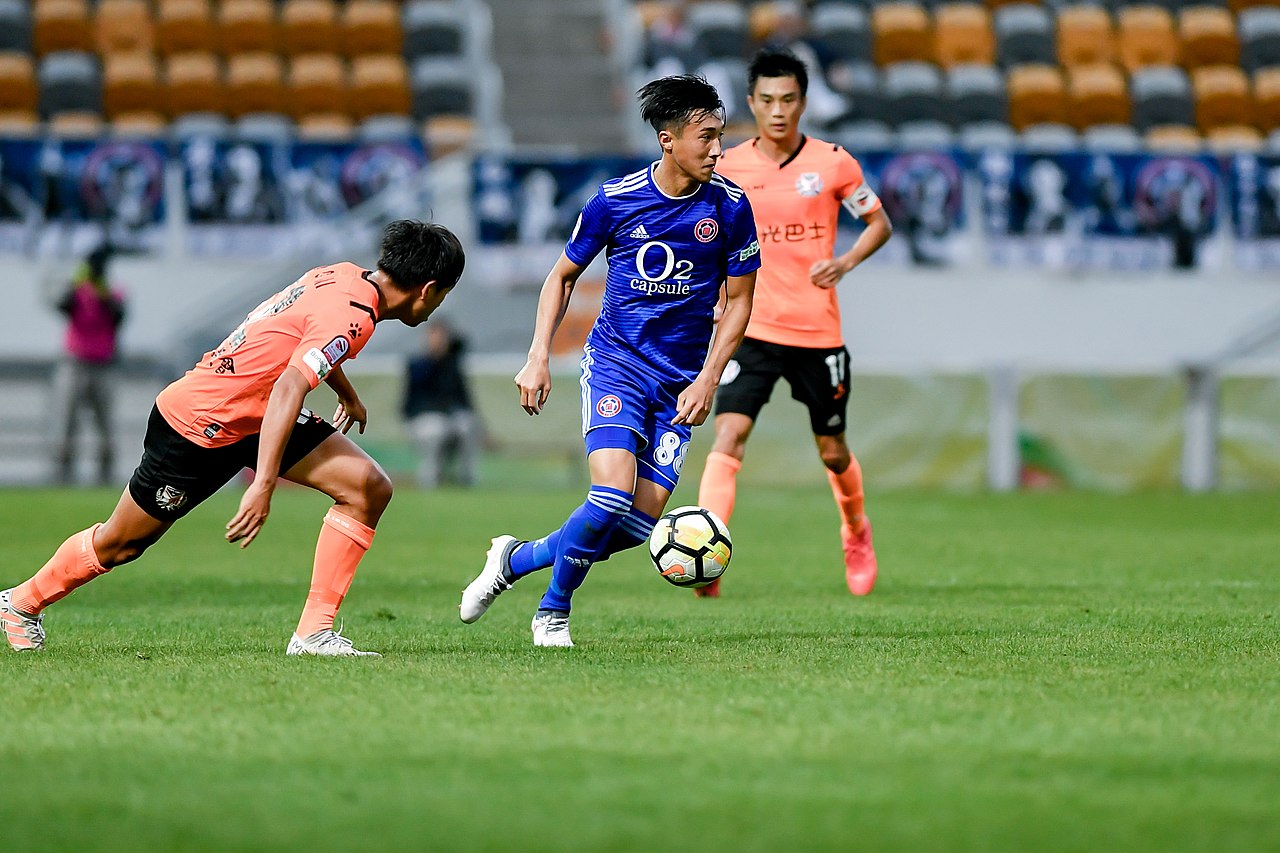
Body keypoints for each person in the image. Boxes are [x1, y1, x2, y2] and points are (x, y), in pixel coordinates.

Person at [2, 220, 465, 656]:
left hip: (257, 414)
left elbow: (297, 337)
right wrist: (263, 484)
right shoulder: (356, 317)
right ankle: (21, 602)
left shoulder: (342, 275)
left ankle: (314, 634)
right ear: (428, 290)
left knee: (367, 487)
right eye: (444, 295)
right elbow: (290, 386)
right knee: (121, 544)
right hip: (202, 422)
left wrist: (346, 393)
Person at [458, 74, 760, 647]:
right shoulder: (615, 200)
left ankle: (514, 560)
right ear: (668, 140)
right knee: (610, 496)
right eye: (706, 137)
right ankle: (553, 612)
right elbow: (562, 277)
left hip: (680, 382)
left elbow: (741, 301)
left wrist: (707, 379)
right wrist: (538, 356)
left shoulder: (731, 206)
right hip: (617, 364)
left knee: (636, 526)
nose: (718, 149)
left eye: (720, 136)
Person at [696, 49, 893, 598]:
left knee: (832, 450)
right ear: (751, 104)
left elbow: (878, 223)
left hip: (816, 332)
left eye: (788, 99)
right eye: (767, 100)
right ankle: (707, 554)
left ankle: (856, 532)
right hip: (751, 329)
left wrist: (844, 262)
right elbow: (707, 239)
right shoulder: (728, 168)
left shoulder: (833, 163)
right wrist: (714, 295)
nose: (778, 110)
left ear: (803, 103)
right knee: (729, 435)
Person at [51, 245, 127, 485]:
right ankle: (63, 469)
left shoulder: (111, 293)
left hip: (103, 365)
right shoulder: (77, 291)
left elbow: (119, 317)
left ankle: (105, 470)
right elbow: (61, 306)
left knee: (105, 421)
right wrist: (75, 286)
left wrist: (102, 294)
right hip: (75, 362)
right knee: (67, 418)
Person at [402, 318, 479, 488]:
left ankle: (466, 477)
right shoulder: (418, 364)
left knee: (467, 424)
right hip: (424, 418)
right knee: (436, 429)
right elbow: (413, 401)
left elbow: (463, 398)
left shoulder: (452, 365)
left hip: (450, 416)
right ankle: (431, 478)